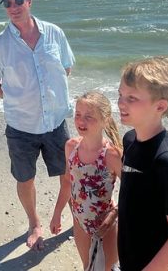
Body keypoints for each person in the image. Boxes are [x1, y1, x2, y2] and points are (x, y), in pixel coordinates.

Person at [0, 0, 75, 250]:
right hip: (20, 126)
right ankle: (35, 223)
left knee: (68, 174)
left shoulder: (54, 33)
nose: (13, 7)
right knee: (25, 178)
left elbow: (66, 68)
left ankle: (75, 216)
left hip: (56, 121)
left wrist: (48, 97)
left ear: (29, 1)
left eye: (18, 1)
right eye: (8, 4)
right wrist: (20, 99)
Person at [116, 56, 168, 270]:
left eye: (132, 98)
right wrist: (117, 213)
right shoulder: (130, 139)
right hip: (133, 258)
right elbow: (139, 192)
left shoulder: (167, 162)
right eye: (120, 94)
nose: (121, 103)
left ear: (160, 106)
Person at [50, 91, 123, 270]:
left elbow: (133, 192)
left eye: (89, 117)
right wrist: (57, 213)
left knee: (106, 268)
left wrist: (114, 215)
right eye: (78, 115)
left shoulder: (111, 155)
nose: (81, 121)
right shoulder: (71, 147)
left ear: (105, 120)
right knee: (88, 265)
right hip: (80, 221)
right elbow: (68, 182)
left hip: (105, 224)